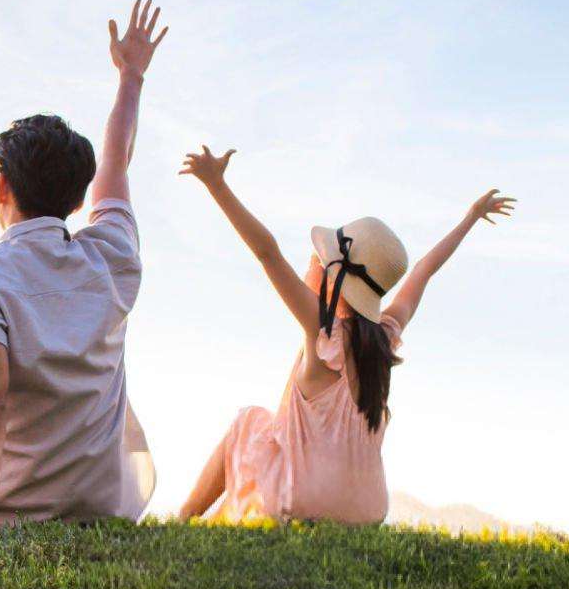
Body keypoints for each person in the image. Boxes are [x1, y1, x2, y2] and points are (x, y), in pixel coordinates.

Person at [175, 146, 515, 525]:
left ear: (332, 275)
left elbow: (267, 253)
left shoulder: (321, 332)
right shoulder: (385, 338)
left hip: (309, 500)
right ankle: (199, 514)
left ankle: (185, 515)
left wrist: (216, 184)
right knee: (271, 430)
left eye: (319, 261)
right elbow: (424, 270)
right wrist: (471, 218)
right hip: (368, 509)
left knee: (249, 421)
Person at [0, 0, 168, 529]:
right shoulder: (112, 253)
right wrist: (131, 77)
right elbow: (117, 157)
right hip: (104, 510)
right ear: (79, 198)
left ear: (1, 186)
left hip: (16, 513)